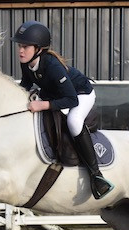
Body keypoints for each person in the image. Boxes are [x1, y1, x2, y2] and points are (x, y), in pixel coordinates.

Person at [12, 21, 114, 199]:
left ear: (38, 49)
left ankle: (97, 175)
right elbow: (25, 85)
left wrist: (42, 104)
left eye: (25, 46)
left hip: (80, 94)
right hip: (56, 94)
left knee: (74, 122)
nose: (20, 50)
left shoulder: (52, 67)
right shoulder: (27, 62)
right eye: (20, 46)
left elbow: (71, 99)